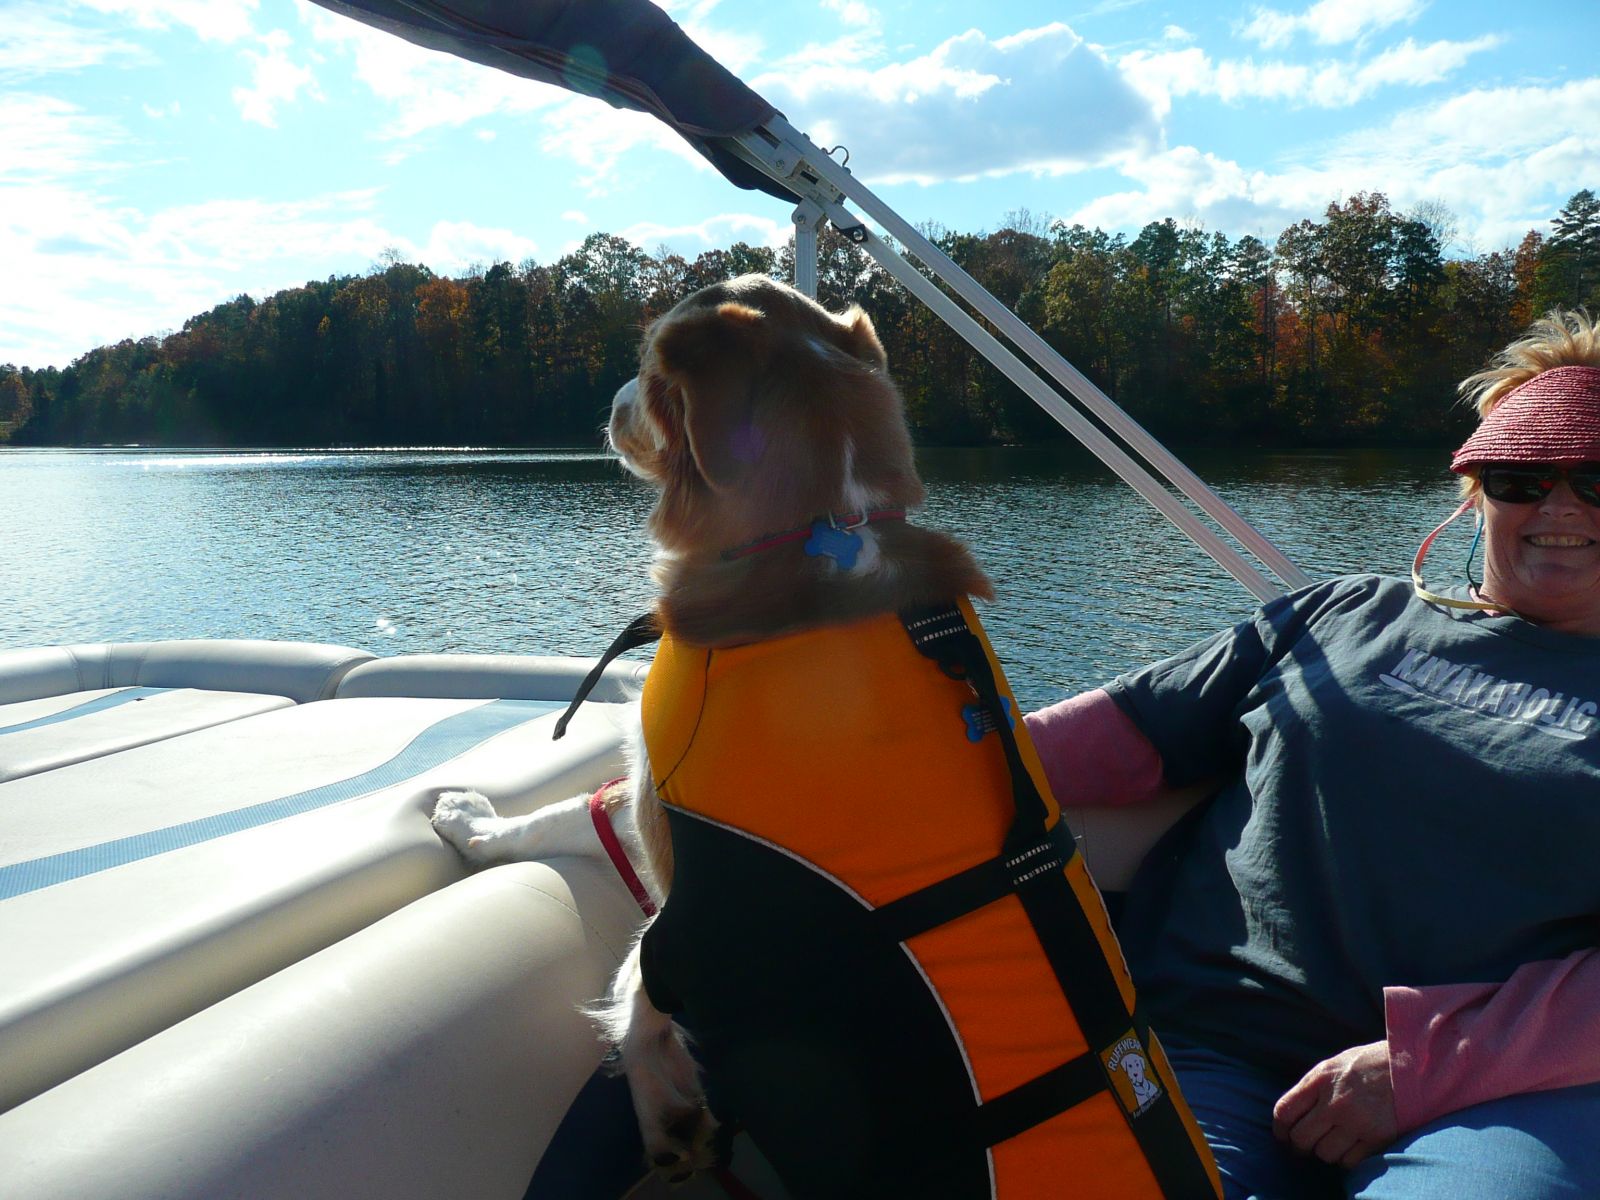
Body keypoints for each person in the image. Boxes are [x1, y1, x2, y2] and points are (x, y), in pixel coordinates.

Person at [1025, 309, 1600, 1199]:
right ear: (1474, 494)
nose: (1559, 505)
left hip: (1492, 1099)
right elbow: (1101, 743)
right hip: (1214, 1040)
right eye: (1522, 475)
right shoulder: (1346, 615)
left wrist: (1420, 1066)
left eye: (1595, 478)